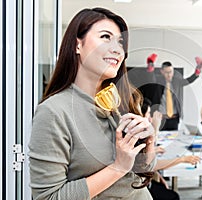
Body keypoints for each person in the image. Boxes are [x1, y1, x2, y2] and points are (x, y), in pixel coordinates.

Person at [29, 7, 156, 200]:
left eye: (120, 42)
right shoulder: (54, 112)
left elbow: (139, 171)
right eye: (105, 37)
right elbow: (48, 198)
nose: (117, 49)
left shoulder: (120, 101)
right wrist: (118, 167)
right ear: (77, 46)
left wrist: (148, 144)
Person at [141, 98, 200, 200]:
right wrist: (182, 159)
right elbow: (152, 164)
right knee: (173, 196)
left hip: (145, 180)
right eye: (148, 114)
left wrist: (158, 176)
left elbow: (148, 164)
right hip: (141, 186)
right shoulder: (139, 136)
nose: (150, 119)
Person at [145, 54, 202, 131]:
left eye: (171, 72)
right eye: (166, 72)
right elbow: (151, 77)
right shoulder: (158, 81)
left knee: (173, 139)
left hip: (174, 118)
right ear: (162, 72)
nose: (169, 75)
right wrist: (150, 64)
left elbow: (189, 80)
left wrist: (198, 70)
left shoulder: (177, 81)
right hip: (161, 118)